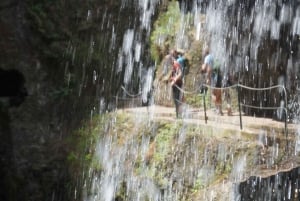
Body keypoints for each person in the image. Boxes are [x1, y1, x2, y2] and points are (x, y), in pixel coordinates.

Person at [201, 48, 223, 115]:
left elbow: (206, 68)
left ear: (205, 53)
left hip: (214, 77)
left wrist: (207, 77)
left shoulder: (207, 58)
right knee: (219, 93)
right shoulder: (213, 56)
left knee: (213, 93)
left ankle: (217, 109)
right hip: (219, 76)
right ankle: (220, 110)